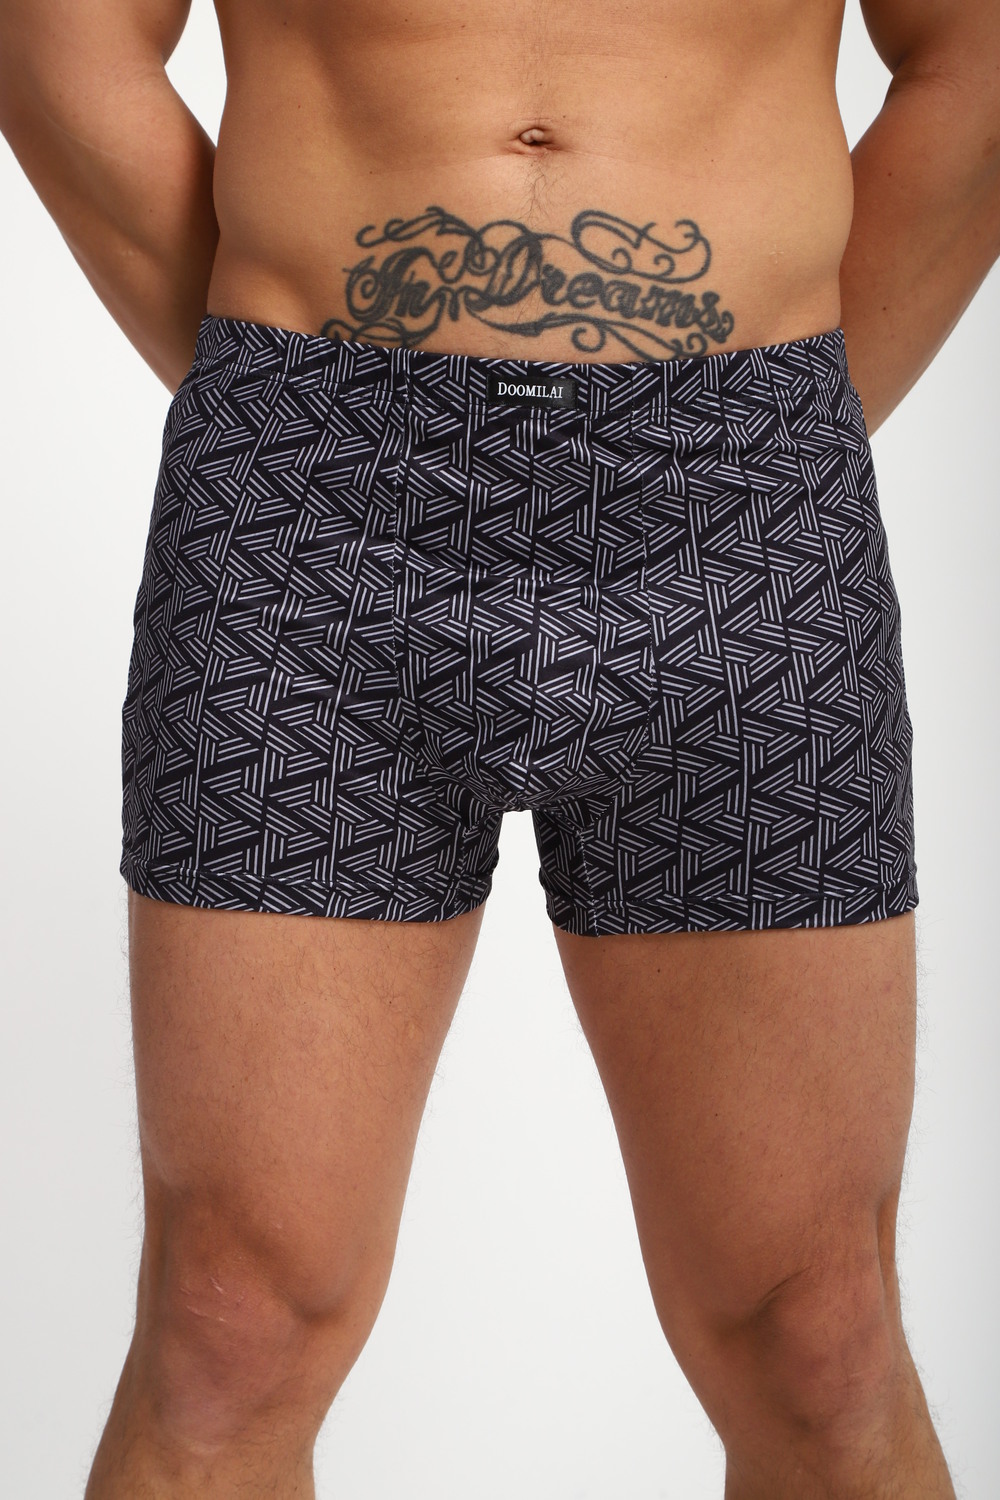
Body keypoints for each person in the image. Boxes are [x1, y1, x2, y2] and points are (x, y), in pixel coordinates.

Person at [1, 0, 997, 1493]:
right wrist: (274, 392)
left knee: (819, 1338)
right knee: (229, 1327)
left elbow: (979, 50)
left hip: (742, 512)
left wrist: (776, 428)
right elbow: (56, 33)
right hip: (312, 517)